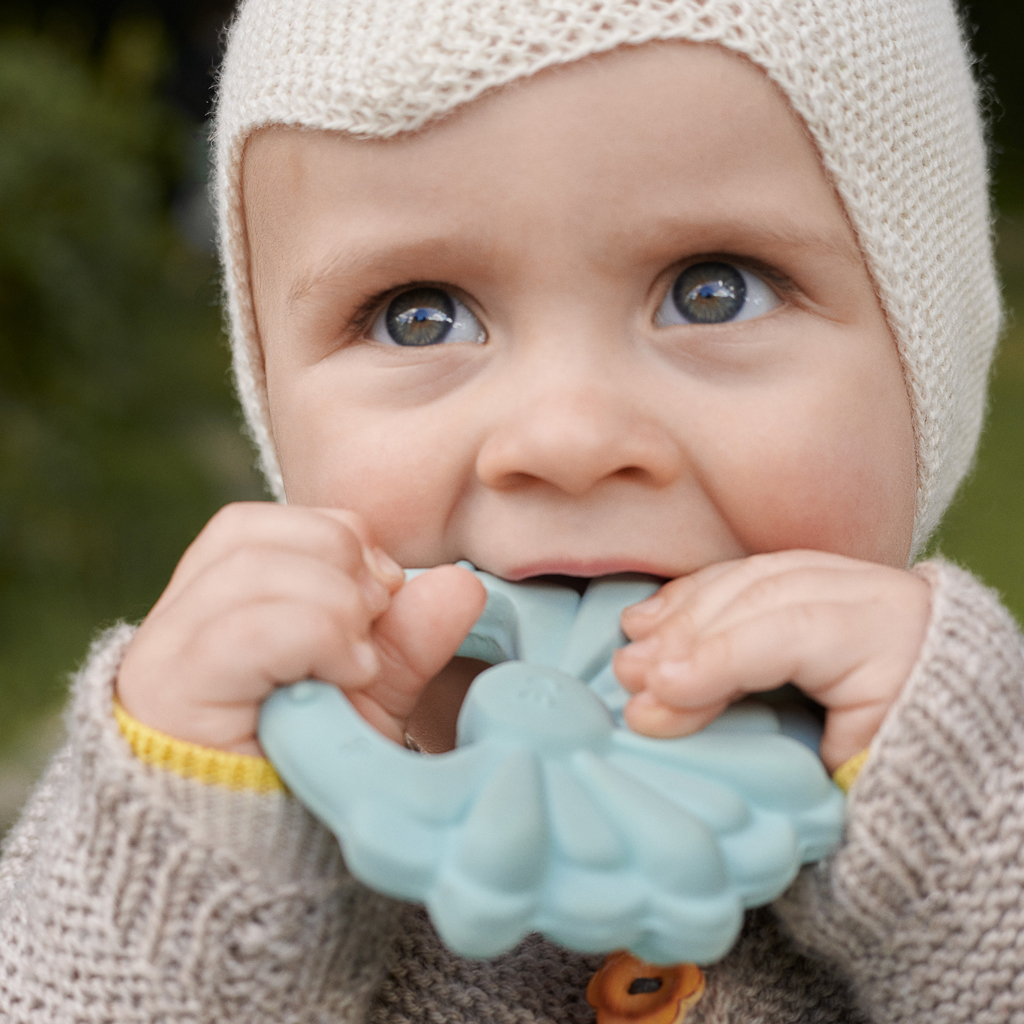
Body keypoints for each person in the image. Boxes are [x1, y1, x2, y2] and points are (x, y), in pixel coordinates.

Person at [0, 0, 1019, 1020]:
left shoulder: (981, 798)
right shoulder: (211, 791)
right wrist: (183, 859)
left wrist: (966, 815)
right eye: (420, 314)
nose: (563, 440)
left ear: (923, 371)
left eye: (715, 290)